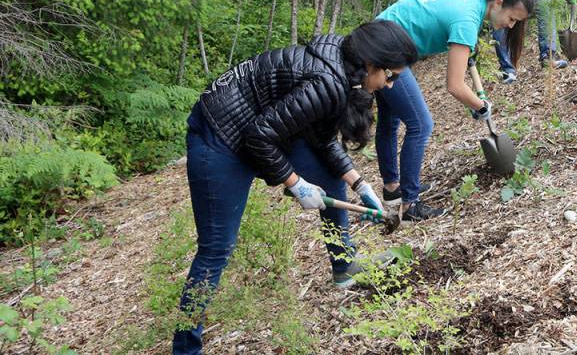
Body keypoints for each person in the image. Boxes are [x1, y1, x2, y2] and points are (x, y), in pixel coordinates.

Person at [172, 20, 419, 354]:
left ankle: (344, 265)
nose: (390, 85)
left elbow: (320, 138)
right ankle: (185, 348)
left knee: (329, 174)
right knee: (217, 247)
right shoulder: (328, 82)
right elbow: (258, 138)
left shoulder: (343, 68)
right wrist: (297, 184)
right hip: (219, 135)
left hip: (258, 127)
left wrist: (359, 185)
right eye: (391, 76)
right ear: (371, 64)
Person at [375, 0, 534, 220]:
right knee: (421, 124)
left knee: (390, 118)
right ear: (498, 3)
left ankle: (392, 188)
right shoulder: (467, 20)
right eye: (512, 18)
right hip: (386, 48)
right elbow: (455, 86)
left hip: (379, 33)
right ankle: (409, 205)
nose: (511, 26)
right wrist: (481, 106)